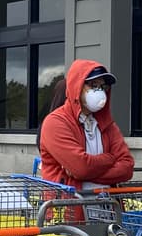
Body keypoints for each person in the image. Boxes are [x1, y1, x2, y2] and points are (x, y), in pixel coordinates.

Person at [37, 60, 134, 192]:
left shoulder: (107, 125)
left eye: (103, 87)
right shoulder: (55, 123)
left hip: (107, 207)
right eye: (93, 85)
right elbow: (81, 167)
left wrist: (87, 173)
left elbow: (127, 168)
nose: (99, 91)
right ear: (77, 85)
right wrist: (110, 158)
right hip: (69, 207)